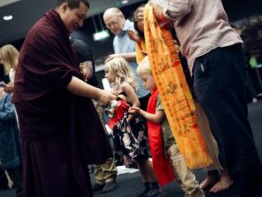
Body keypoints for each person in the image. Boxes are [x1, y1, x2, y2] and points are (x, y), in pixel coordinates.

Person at [136, 0, 262, 196]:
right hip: (220, 48)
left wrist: (154, 11)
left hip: (208, 52)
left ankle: (250, 189)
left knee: (231, 134)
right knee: (236, 130)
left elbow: (180, 5)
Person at [12, 0, 115, 197]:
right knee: (57, 174)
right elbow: (63, 78)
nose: (81, 23)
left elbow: (64, 73)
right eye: (80, 16)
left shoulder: (53, 30)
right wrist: (99, 94)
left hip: (50, 113)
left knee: (68, 166)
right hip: (41, 118)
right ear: (65, 7)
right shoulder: (45, 33)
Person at [129, 57, 205, 197]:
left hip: (174, 142)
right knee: (179, 175)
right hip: (168, 143)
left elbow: (157, 118)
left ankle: (196, 194)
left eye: (145, 80)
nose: (143, 84)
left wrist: (140, 112)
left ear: (156, 77)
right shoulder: (155, 95)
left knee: (185, 175)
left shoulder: (161, 96)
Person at [104, 57, 160, 197]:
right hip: (122, 127)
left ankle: (156, 187)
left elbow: (136, 103)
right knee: (137, 159)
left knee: (142, 156)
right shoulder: (113, 88)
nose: (105, 75)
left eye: (107, 71)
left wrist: (127, 119)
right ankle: (147, 186)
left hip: (132, 125)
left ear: (116, 70)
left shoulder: (125, 86)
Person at [70, 37, 118, 193]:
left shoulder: (78, 46)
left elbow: (88, 73)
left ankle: (110, 175)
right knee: (88, 140)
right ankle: (100, 177)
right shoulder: (64, 47)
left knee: (99, 136)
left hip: (91, 97)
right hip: (78, 100)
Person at [103, 7, 150, 111]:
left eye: (113, 22)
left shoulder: (136, 28)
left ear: (121, 16)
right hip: (131, 90)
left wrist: (120, 56)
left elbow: (147, 53)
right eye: (108, 25)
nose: (112, 27)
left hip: (147, 85)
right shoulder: (115, 40)